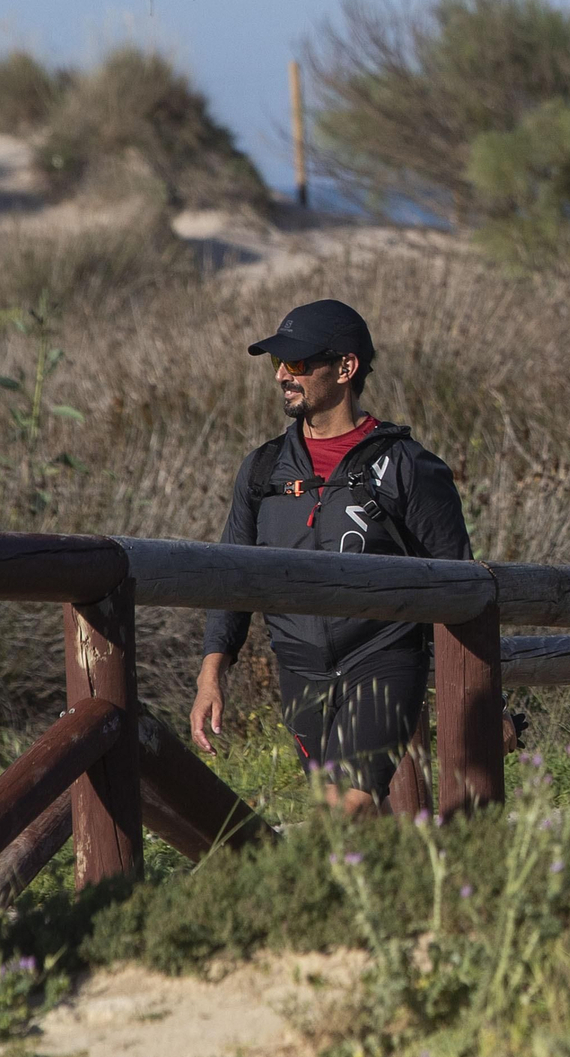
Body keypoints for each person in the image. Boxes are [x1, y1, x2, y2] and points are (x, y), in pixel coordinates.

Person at [190, 298, 473, 817]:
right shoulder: (262, 469)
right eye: (278, 364)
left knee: (348, 808)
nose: (281, 375)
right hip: (298, 667)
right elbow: (231, 580)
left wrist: (486, 699)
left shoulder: (409, 466)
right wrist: (213, 674)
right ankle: (405, 889)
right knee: (339, 819)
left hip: (384, 658)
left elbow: (462, 585)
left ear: (346, 368)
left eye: (298, 363)